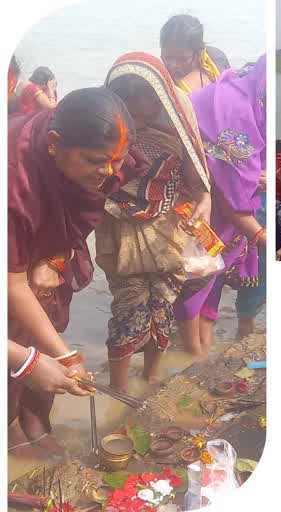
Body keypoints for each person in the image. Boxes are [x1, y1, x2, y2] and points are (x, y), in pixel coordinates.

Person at [8, 87, 133, 458]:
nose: (108, 172)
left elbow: (79, 218)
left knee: (45, 328)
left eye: (116, 161)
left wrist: (58, 258)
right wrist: (36, 361)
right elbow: (12, 283)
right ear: (53, 144)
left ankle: (33, 420)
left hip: (36, 261)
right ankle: (11, 425)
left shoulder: (99, 157)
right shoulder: (13, 181)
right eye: (97, 161)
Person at [100, 53, 212, 390]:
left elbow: (200, 184)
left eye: (145, 94)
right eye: (126, 95)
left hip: (167, 236)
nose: (136, 104)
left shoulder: (176, 136)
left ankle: (151, 374)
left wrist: (205, 202)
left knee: (161, 309)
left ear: (161, 97)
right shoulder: (104, 136)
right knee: (127, 312)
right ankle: (119, 388)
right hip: (122, 239)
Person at [175, 56, 267, 355]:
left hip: (226, 214)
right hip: (201, 205)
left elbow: (248, 170)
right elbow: (232, 190)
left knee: (214, 277)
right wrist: (259, 235)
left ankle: (204, 344)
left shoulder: (255, 100)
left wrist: (259, 175)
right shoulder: (235, 109)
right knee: (197, 277)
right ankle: (192, 351)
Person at [160, 14, 230, 94]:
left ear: (199, 53)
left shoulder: (218, 60)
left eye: (183, 59)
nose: (174, 65)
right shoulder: (158, 84)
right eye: (168, 57)